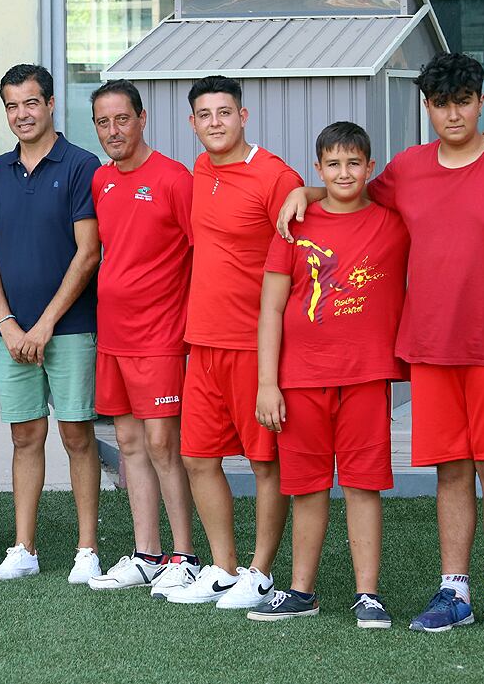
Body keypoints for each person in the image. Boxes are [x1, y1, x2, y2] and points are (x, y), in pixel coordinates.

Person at [278, 54, 484, 635]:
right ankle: (453, 591)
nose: (453, 114)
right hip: (430, 349)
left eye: (463, 101)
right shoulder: (407, 168)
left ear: (481, 102)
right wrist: (304, 190)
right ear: (426, 107)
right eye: (441, 103)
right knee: (450, 472)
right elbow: (348, 187)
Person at [250, 122, 408, 628]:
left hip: (365, 376)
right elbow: (271, 309)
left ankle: (368, 595)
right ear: (318, 167)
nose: (344, 173)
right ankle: (301, 590)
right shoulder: (294, 225)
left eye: (354, 163)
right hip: (299, 379)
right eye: (333, 164)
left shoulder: (394, 222)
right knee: (308, 487)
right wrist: (267, 382)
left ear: (370, 166)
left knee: (363, 485)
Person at [164, 75, 301, 608]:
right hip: (202, 341)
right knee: (198, 457)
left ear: (244, 116)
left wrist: (307, 191)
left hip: (254, 344)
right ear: (193, 122)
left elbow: (313, 217)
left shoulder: (275, 176)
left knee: (265, 462)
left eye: (225, 112)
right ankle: (223, 567)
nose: (215, 122)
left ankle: (260, 572)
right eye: (205, 114)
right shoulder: (200, 169)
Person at [0, 64, 101, 583]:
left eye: (30, 103)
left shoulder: (81, 165)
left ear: (50, 105)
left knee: (76, 434)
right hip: (12, 330)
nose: (21, 114)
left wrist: (45, 324)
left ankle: (86, 549)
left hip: (69, 329)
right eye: (11, 105)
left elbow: (87, 253)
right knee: (26, 435)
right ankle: (23, 548)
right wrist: (6, 321)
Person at [82, 80, 199, 599]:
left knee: (161, 444)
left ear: (142, 118)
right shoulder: (102, 181)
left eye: (121, 119)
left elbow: (203, 256)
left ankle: (185, 556)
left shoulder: (175, 178)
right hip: (114, 334)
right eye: (103, 123)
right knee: (129, 443)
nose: (113, 131)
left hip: (161, 336)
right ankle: (148, 553)